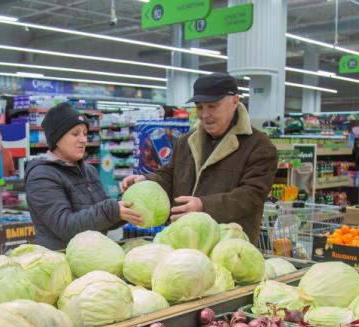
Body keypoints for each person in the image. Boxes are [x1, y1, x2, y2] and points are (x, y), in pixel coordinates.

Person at [120, 72, 278, 241]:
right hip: (184, 240)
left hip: (228, 247)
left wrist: (204, 206)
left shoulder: (259, 146)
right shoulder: (186, 141)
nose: (204, 114)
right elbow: (168, 176)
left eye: (212, 106)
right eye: (200, 107)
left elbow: (251, 195)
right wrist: (146, 180)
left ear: (234, 102)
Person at [25, 102, 144, 250]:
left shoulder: (89, 170)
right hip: (61, 261)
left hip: (94, 256)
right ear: (57, 139)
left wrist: (127, 205)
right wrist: (111, 210)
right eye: (75, 134)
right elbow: (65, 226)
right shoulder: (41, 176)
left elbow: (102, 218)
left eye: (85, 133)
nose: (83, 140)